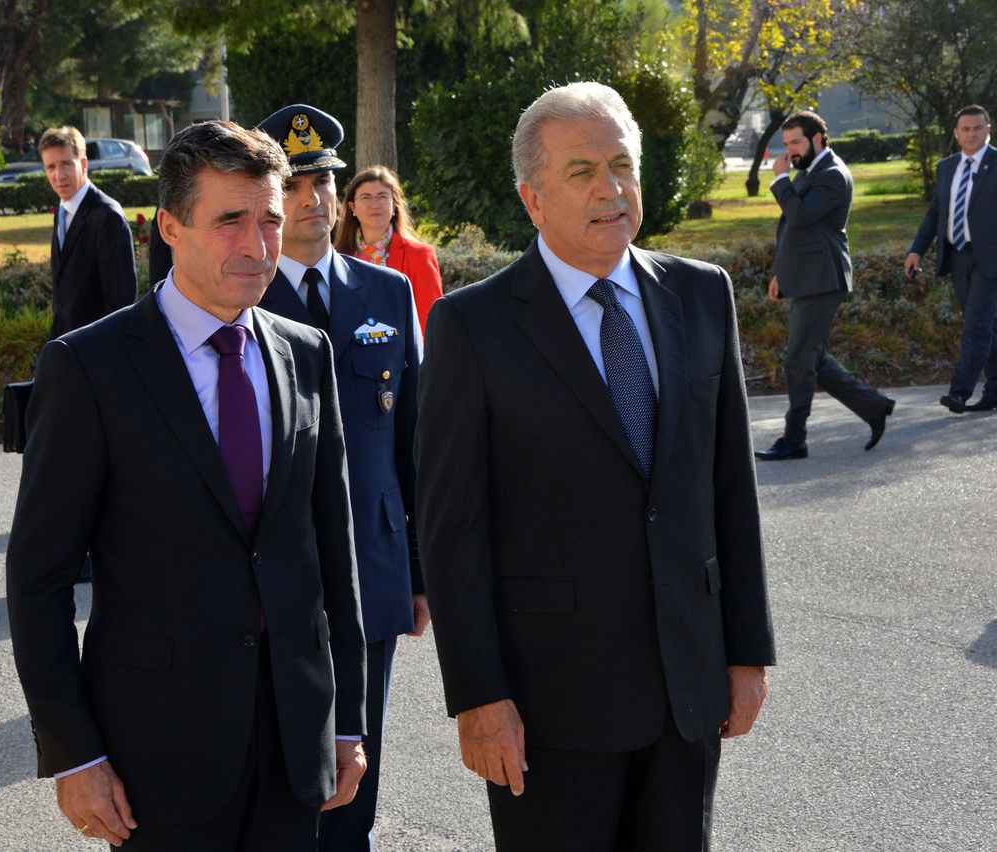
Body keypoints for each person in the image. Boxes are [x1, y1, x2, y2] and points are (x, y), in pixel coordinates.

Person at [415, 82, 775, 850]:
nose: (611, 189)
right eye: (582, 171)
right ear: (533, 198)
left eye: (622, 165)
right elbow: (452, 531)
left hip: (687, 693)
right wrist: (479, 697)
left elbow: (729, 492)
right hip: (550, 712)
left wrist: (747, 652)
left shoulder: (702, 295)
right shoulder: (472, 327)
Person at [7, 119, 368, 850]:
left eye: (269, 218)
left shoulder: (307, 354)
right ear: (170, 226)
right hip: (157, 754)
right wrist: (74, 752)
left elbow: (334, 553)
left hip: (296, 742)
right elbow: (39, 578)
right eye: (230, 220)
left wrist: (348, 718)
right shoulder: (91, 368)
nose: (259, 244)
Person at [255, 105, 425, 852]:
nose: (315, 197)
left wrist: (420, 572)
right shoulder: (243, 295)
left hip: (375, 560)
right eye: (296, 183)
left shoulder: (383, 294)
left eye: (325, 178)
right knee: (281, 745)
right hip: (282, 568)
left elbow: (414, 441)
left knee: (364, 747)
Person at [755, 110, 896, 460]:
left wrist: (779, 180)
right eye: (786, 144)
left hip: (823, 280)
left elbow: (800, 215)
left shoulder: (832, 175)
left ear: (818, 139)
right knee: (811, 359)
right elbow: (792, 227)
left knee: (799, 362)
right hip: (805, 278)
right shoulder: (810, 171)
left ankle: (794, 439)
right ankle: (874, 406)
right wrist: (780, 274)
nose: (790, 152)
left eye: (796, 142)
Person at [905, 105, 997, 413]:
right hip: (957, 256)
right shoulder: (946, 167)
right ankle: (995, 391)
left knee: (976, 325)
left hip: (991, 260)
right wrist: (917, 250)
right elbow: (935, 213)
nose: (972, 134)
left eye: (978, 128)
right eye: (966, 129)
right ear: (956, 133)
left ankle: (959, 392)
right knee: (985, 327)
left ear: (988, 129)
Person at [40, 125, 137, 339]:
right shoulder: (62, 212)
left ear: (84, 164)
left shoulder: (107, 216)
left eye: (66, 164)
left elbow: (121, 303)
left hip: (97, 354)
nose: (59, 175)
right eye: (51, 167)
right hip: (67, 350)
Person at [335, 165, 444, 337]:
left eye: (382, 196)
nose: (375, 204)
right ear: (352, 207)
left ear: (394, 206)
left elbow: (433, 324)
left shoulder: (419, 255)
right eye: (366, 197)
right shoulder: (338, 257)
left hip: (401, 360)